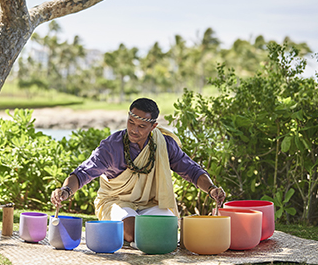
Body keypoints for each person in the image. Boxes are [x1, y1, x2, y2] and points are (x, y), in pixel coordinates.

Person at [50, 97, 226, 244]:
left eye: (142, 126)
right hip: (116, 202)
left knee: (170, 230)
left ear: (153, 127)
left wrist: (211, 189)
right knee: (131, 232)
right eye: (131, 122)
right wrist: (65, 191)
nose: (134, 130)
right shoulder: (112, 146)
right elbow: (83, 173)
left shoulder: (164, 144)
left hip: (150, 204)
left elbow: (191, 170)